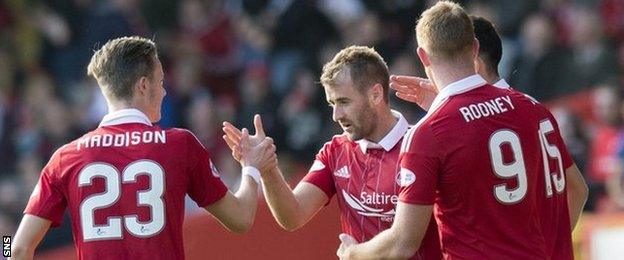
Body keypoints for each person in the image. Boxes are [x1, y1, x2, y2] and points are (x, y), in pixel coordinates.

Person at [337, 2, 587, 259]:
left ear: (422, 56)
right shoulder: (531, 108)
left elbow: (403, 242)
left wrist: (354, 253)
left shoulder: (430, 132)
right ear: (474, 48)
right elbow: (577, 189)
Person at [10, 36, 276, 260]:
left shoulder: (64, 158)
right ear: (143, 85)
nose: (164, 91)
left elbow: (16, 247)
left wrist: (3, 248)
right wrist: (251, 168)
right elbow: (241, 219)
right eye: (160, 82)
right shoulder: (180, 144)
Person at [223, 46, 441, 259]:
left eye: (344, 102)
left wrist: (353, 254)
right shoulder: (335, 151)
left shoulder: (423, 146)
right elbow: (293, 215)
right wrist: (268, 168)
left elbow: (404, 244)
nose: (336, 115)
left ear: (375, 95)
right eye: (332, 103)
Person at [391, 15, 588, 232]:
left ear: (474, 60)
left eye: (453, 58)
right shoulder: (531, 107)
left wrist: (446, 114)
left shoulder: (474, 121)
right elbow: (578, 189)